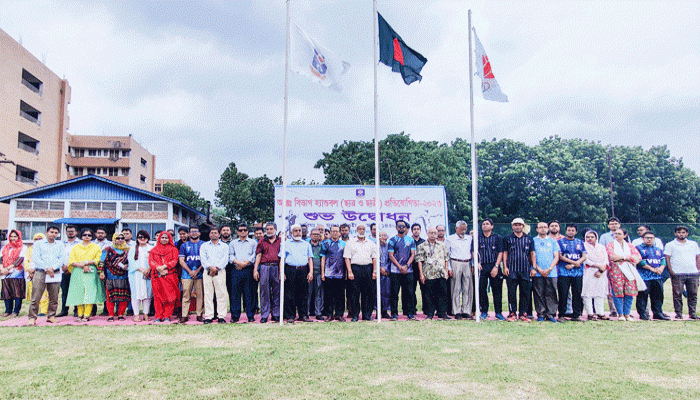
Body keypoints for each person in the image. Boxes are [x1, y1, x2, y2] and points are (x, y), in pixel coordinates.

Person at [65, 228, 105, 322]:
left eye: (89, 235)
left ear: (92, 236)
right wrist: (82, 265)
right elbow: (71, 261)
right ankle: (80, 314)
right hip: (78, 271)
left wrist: (86, 263)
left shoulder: (96, 247)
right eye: (85, 235)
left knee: (90, 292)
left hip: (91, 272)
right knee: (79, 292)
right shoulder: (75, 247)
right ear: (81, 236)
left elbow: (98, 260)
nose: (87, 237)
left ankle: (87, 315)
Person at [27, 226, 64, 325]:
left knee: (54, 297)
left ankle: (51, 316)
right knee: (36, 296)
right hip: (40, 271)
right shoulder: (38, 244)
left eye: (56, 232)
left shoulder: (60, 245)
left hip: (55, 272)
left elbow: (61, 258)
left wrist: (53, 268)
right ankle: (32, 317)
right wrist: (47, 268)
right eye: (51, 232)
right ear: (47, 232)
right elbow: (36, 258)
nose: (54, 234)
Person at [606, 228, 644, 321]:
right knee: (618, 292)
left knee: (629, 292)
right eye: (615, 234)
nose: (617, 236)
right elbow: (612, 257)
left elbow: (637, 257)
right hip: (616, 272)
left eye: (619, 234)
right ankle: (620, 314)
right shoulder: (610, 245)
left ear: (624, 235)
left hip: (629, 271)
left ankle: (627, 314)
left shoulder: (630, 246)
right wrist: (627, 258)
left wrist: (622, 257)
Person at [503, 218, 536, 322]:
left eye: (520, 225)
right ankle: (512, 313)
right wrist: (505, 267)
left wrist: (533, 267)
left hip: (525, 270)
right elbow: (505, 253)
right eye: (515, 225)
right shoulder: (507, 238)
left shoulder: (529, 239)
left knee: (525, 294)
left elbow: (532, 254)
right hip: (512, 270)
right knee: (511, 293)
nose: (518, 227)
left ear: (523, 226)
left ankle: (523, 314)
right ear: (512, 226)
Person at [664, 225, 700, 320]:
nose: (681, 234)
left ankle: (692, 313)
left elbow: (698, 257)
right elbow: (667, 258)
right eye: (679, 232)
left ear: (687, 233)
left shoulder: (693, 244)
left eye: (683, 232)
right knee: (677, 294)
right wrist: (671, 271)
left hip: (693, 273)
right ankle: (678, 313)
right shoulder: (670, 245)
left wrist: (698, 269)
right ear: (675, 233)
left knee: (693, 294)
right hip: (678, 273)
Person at [280, 224, 313, 323]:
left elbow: (310, 258)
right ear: (291, 232)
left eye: (299, 230)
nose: (298, 232)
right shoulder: (286, 243)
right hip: (290, 270)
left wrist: (310, 272)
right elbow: (282, 259)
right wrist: (282, 272)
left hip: (303, 270)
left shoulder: (306, 244)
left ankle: (303, 315)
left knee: (303, 294)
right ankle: (290, 316)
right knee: (290, 294)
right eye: (295, 231)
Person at [343, 224, 377, 322]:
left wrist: (374, 271)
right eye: (359, 229)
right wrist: (349, 271)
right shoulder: (350, 243)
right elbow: (347, 258)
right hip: (355, 269)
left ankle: (367, 315)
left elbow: (374, 258)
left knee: (368, 293)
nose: (361, 231)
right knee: (354, 293)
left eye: (363, 229)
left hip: (368, 269)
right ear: (356, 230)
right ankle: (355, 315)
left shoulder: (370, 243)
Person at [416, 227, 450, 320]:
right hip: (429, 274)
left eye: (435, 233)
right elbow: (420, 261)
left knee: (442, 294)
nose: (433, 235)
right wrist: (421, 274)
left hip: (440, 273)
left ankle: (442, 313)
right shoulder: (422, 246)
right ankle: (430, 313)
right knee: (429, 295)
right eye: (431, 233)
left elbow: (446, 259)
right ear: (427, 234)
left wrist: (446, 271)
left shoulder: (442, 245)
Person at [636, 231, 669, 320]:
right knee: (642, 296)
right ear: (643, 239)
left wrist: (661, 268)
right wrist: (652, 269)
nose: (649, 239)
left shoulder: (658, 249)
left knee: (658, 296)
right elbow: (639, 261)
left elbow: (663, 260)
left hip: (657, 277)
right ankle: (643, 314)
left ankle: (658, 313)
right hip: (644, 277)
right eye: (647, 238)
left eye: (651, 238)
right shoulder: (638, 248)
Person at [557, 224, 587, 322]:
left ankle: (577, 314)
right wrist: (573, 262)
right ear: (566, 231)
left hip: (577, 273)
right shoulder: (560, 242)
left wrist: (575, 264)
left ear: (576, 232)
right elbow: (560, 256)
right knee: (563, 294)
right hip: (563, 273)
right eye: (569, 230)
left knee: (577, 294)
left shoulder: (580, 242)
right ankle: (561, 314)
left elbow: (584, 256)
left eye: (573, 230)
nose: (570, 232)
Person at [388, 220, 417, 320]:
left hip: (408, 271)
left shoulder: (411, 240)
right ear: (396, 228)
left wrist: (406, 266)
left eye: (403, 226)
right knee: (394, 293)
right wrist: (400, 267)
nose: (401, 228)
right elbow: (391, 255)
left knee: (409, 292)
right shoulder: (392, 240)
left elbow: (413, 254)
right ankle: (394, 314)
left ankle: (410, 313)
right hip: (395, 271)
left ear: (405, 228)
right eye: (399, 226)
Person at [200, 227, 229, 324]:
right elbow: (203, 259)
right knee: (208, 294)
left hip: (220, 271)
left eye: (215, 233)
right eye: (212, 233)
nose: (213, 234)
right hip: (207, 271)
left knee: (221, 294)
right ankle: (209, 316)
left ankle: (221, 316)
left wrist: (217, 268)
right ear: (209, 235)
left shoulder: (224, 246)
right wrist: (210, 267)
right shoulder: (204, 246)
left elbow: (225, 259)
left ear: (219, 234)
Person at [98, 233, 130, 321]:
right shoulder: (108, 249)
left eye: (122, 238)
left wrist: (127, 266)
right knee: (110, 296)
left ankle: (120, 314)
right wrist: (101, 272)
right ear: (114, 239)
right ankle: (111, 314)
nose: (120, 240)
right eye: (118, 238)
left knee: (123, 296)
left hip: (123, 276)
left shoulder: (128, 250)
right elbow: (101, 261)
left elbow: (131, 262)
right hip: (110, 276)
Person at [149, 231, 181, 323]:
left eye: (166, 238)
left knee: (170, 296)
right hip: (157, 277)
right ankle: (158, 316)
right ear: (159, 239)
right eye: (162, 237)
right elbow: (151, 261)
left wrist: (165, 266)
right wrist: (158, 268)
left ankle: (167, 315)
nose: (164, 239)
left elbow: (175, 261)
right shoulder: (153, 250)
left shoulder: (173, 249)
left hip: (170, 276)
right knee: (158, 297)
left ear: (169, 239)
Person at [477, 219, 505, 321]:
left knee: (497, 291)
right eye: (483, 224)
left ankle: (498, 312)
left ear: (492, 226)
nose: (485, 225)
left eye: (487, 224)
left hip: (494, 266)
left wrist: (496, 266)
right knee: (481, 290)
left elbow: (500, 252)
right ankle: (484, 311)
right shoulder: (477, 238)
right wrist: (477, 262)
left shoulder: (497, 237)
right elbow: (473, 251)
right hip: (482, 267)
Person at [228, 224, 257, 323]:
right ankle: (235, 316)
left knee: (249, 293)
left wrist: (246, 263)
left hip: (248, 269)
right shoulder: (233, 243)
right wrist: (238, 262)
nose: (243, 232)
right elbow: (230, 255)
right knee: (235, 293)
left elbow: (255, 255)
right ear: (237, 232)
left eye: (245, 230)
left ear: (248, 232)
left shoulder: (253, 242)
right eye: (240, 230)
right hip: (236, 269)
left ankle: (250, 315)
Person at [254, 222, 282, 323]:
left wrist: (281, 272)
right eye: (267, 229)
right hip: (264, 267)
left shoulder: (280, 241)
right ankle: (265, 315)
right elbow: (258, 255)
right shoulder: (262, 241)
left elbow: (281, 257)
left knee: (277, 291)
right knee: (264, 291)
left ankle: (276, 314)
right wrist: (255, 269)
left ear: (275, 230)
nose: (269, 231)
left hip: (276, 267)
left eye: (271, 229)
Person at [445, 220, 473, 320]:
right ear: (456, 228)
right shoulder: (450, 239)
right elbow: (446, 255)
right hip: (455, 262)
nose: (463, 231)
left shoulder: (469, 238)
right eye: (461, 229)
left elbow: (472, 252)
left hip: (467, 263)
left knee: (467, 287)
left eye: (465, 229)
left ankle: (466, 310)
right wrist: (449, 268)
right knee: (456, 288)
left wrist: (473, 265)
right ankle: (456, 310)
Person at [532, 222, 559, 322]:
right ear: (537, 229)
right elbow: (531, 256)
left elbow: (556, 256)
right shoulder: (533, 240)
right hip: (538, 272)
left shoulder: (553, 241)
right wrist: (538, 269)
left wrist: (549, 269)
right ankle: (541, 314)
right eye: (540, 227)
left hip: (551, 273)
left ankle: (551, 314)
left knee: (551, 293)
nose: (543, 229)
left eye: (545, 227)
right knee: (539, 293)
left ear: (548, 229)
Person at [320, 225, 346, 321]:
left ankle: (339, 314)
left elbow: (346, 259)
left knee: (340, 295)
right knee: (329, 295)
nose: (335, 233)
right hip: (328, 273)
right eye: (333, 231)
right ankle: (329, 314)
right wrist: (322, 273)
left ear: (339, 233)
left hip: (340, 274)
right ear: (330, 233)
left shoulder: (344, 244)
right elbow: (323, 258)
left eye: (337, 231)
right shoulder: (325, 243)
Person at [582, 230, 609, 321]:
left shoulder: (601, 247)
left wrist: (601, 270)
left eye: (592, 237)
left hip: (601, 272)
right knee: (588, 293)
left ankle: (600, 313)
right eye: (588, 237)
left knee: (600, 293)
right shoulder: (584, 246)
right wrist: (598, 266)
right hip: (588, 271)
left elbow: (606, 260)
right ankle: (590, 313)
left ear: (596, 238)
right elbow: (586, 260)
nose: (590, 239)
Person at [179, 226, 204, 322]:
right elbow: (181, 261)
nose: (194, 233)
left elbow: (205, 260)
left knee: (200, 295)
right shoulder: (184, 246)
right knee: (186, 295)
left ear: (199, 233)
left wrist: (197, 271)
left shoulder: (203, 245)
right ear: (189, 234)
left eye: (196, 231)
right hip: (186, 274)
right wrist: (190, 271)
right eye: (192, 232)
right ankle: (184, 315)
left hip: (200, 274)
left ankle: (199, 314)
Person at [1, 229, 27, 318]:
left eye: (15, 236)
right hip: (4, 273)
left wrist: (7, 268)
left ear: (19, 237)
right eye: (11, 236)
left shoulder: (23, 247)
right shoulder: (5, 247)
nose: (13, 238)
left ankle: (16, 311)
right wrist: (2, 269)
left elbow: (20, 260)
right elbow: (1, 259)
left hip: (17, 272)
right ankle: (8, 311)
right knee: (6, 292)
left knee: (17, 292)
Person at [128, 230, 153, 322]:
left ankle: (146, 314)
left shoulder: (151, 248)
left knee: (148, 294)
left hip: (148, 274)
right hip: (136, 274)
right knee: (136, 295)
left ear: (148, 238)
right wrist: (141, 269)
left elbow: (153, 260)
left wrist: (148, 269)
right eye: (140, 237)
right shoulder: (133, 248)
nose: (142, 239)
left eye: (144, 237)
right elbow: (131, 262)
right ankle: (136, 315)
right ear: (137, 239)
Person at [25, 232, 49, 317]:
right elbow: (26, 260)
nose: (38, 241)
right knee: (34, 292)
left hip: (41, 271)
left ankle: (44, 310)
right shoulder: (30, 249)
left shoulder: (46, 248)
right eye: (36, 239)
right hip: (31, 273)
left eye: (40, 239)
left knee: (44, 292)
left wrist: (35, 269)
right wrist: (29, 270)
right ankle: (34, 310)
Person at [57, 225, 79, 317]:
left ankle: (77, 310)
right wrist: (62, 266)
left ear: (76, 232)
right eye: (68, 231)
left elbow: (80, 257)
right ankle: (64, 310)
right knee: (64, 292)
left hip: (76, 270)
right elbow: (58, 256)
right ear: (66, 232)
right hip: (63, 270)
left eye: (72, 231)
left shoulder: (80, 243)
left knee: (76, 291)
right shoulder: (61, 244)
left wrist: (70, 267)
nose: (70, 232)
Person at [307, 228, 324, 320]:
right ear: (310, 235)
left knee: (318, 294)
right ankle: (306, 312)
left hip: (318, 273)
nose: (316, 236)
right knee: (307, 293)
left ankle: (318, 312)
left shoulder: (322, 246)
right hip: (308, 273)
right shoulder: (306, 245)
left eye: (318, 234)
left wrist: (322, 273)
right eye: (314, 234)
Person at [410, 223, 426, 316]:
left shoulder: (424, 242)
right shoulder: (408, 241)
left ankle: (426, 309)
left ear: (420, 230)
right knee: (411, 290)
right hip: (411, 269)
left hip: (422, 269)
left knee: (424, 289)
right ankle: (412, 309)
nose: (416, 230)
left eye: (418, 229)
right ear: (412, 231)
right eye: (414, 229)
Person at [377, 231, 391, 319]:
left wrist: (386, 269)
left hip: (387, 273)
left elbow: (392, 258)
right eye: (380, 236)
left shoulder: (390, 246)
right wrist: (379, 269)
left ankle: (385, 311)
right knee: (377, 292)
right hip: (377, 273)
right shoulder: (374, 246)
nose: (382, 237)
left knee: (386, 293)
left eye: (384, 236)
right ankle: (377, 311)